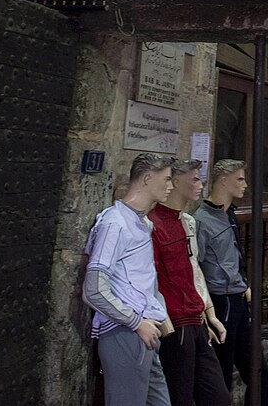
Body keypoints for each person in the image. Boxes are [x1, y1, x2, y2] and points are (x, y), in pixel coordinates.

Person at [82, 153, 175, 406]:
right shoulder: (115, 224)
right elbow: (94, 289)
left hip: (142, 332)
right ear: (147, 179)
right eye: (167, 179)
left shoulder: (139, 222)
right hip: (126, 332)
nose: (171, 186)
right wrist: (136, 323)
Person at [149, 158, 231, 406]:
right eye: (194, 179)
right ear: (175, 182)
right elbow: (151, 279)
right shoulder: (152, 224)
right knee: (180, 397)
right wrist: (165, 326)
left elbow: (194, 269)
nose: (200, 185)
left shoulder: (188, 222)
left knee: (218, 397)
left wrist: (209, 314)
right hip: (175, 322)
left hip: (195, 319)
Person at [194, 159, 255, 403]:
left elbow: (235, 255)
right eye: (239, 179)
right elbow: (196, 264)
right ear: (223, 181)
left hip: (238, 297)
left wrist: (243, 283)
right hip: (221, 300)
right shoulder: (201, 220)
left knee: (259, 372)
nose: (245, 185)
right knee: (222, 373)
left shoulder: (229, 214)